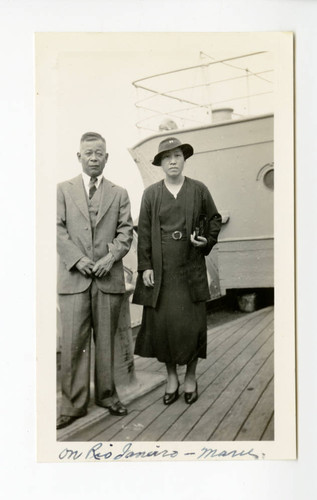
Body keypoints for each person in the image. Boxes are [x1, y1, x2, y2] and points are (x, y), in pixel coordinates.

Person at [133, 137, 222, 405]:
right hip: (162, 274)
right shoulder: (151, 194)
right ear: (160, 163)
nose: (172, 161)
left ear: (184, 160)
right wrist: (145, 266)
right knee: (166, 328)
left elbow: (215, 220)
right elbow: (145, 233)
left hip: (190, 270)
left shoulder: (199, 190)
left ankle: (191, 377)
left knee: (192, 327)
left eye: (177, 156)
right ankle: (172, 377)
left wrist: (205, 239)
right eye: (167, 157)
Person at [56, 132, 133, 429]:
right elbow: (56, 230)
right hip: (74, 279)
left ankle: (106, 394)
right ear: (78, 156)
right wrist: (79, 260)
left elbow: (126, 233)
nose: (93, 157)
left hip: (107, 278)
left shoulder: (120, 193)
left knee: (106, 342)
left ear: (106, 157)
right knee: (73, 343)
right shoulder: (62, 190)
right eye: (88, 152)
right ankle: (73, 404)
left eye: (98, 153)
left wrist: (109, 259)